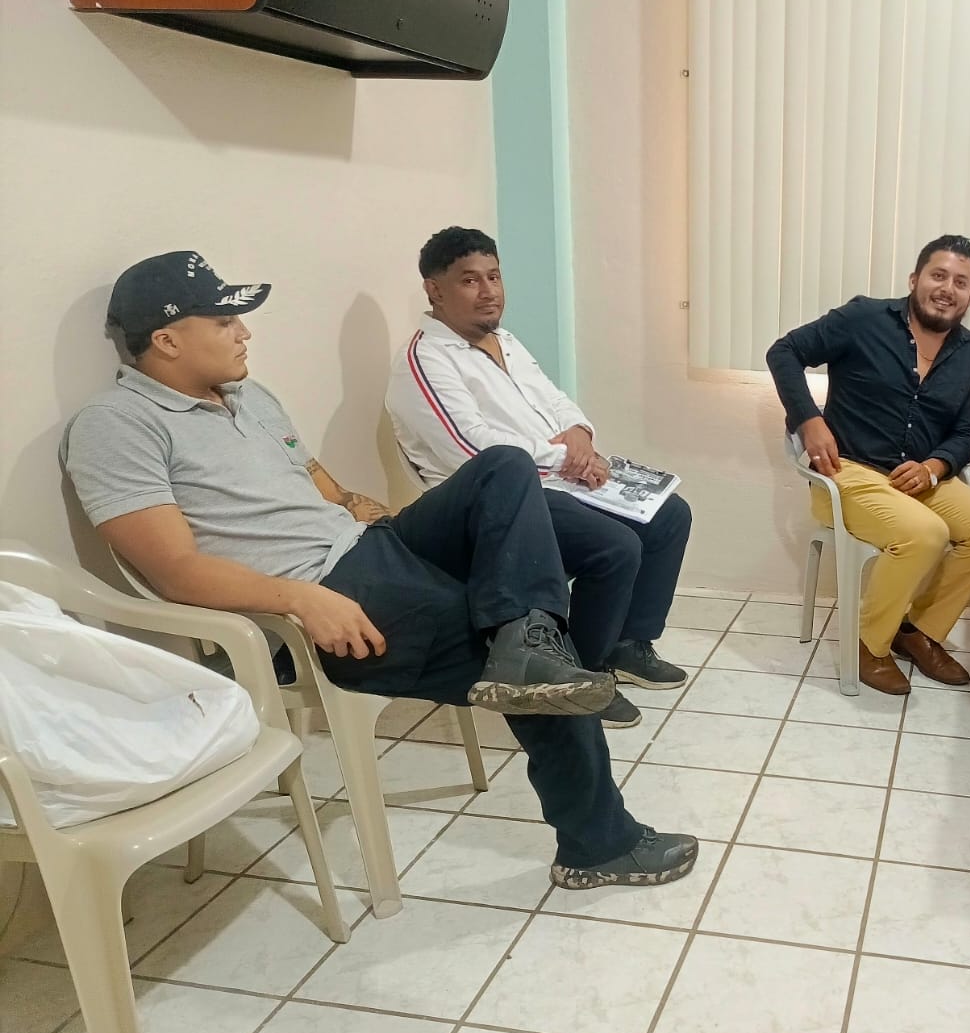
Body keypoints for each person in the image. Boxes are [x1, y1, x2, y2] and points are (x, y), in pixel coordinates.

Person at [60, 251, 697, 890]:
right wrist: (301, 600)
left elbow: (305, 473)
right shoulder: (115, 426)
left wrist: (353, 503)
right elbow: (175, 572)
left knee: (503, 468)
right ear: (167, 340)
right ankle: (597, 843)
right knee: (544, 659)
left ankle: (525, 641)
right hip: (323, 591)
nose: (244, 332)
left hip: (371, 545)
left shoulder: (247, 396)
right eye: (224, 322)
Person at [386, 227, 692, 732]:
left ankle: (627, 643)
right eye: (469, 280)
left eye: (494, 276)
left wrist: (581, 436)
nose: (488, 291)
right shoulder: (423, 361)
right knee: (614, 547)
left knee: (669, 515)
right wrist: (567, 456)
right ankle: (581, 675)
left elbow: (555, 400)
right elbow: (474, 450)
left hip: (553, 480)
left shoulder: (503, 340)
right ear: (434, 290)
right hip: (493, 506)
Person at [766, 234, 970, 696]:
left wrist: (935, 467)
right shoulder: (864, 319)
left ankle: (918, 632)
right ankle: (866, 644)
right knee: (926, 533)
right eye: (939, 275)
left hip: (920, 480)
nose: (948, 289)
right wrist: (808, 420)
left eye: (961, 282)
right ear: (915, 279)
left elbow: (966, 432)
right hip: (847, 473)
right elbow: (784, 352)